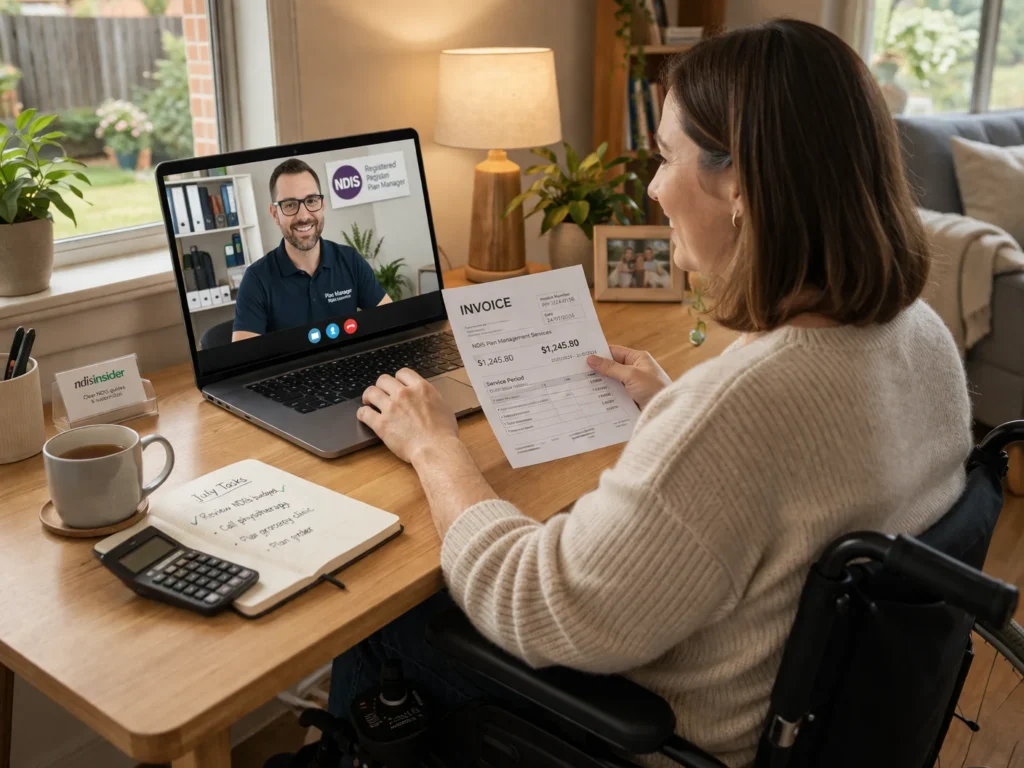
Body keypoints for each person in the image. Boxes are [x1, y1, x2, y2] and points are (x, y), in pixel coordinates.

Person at [326, 20, 970, 768]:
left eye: (667, 158)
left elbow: (536, 604)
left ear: (739, 181)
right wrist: (674, 402)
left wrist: (435, 447)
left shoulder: (745, 409)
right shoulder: (920, 334)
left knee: (380, 625)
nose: (656, 190)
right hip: (816, 719)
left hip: (666, 739)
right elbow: (792, 478)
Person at [231, 158, 391, 342]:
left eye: (311, 201)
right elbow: (243, 359)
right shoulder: (256, 279)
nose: (304, 216)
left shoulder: (350, 260)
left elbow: (390, 320)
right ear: (275, 214)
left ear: (322, 205)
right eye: (290, 205)